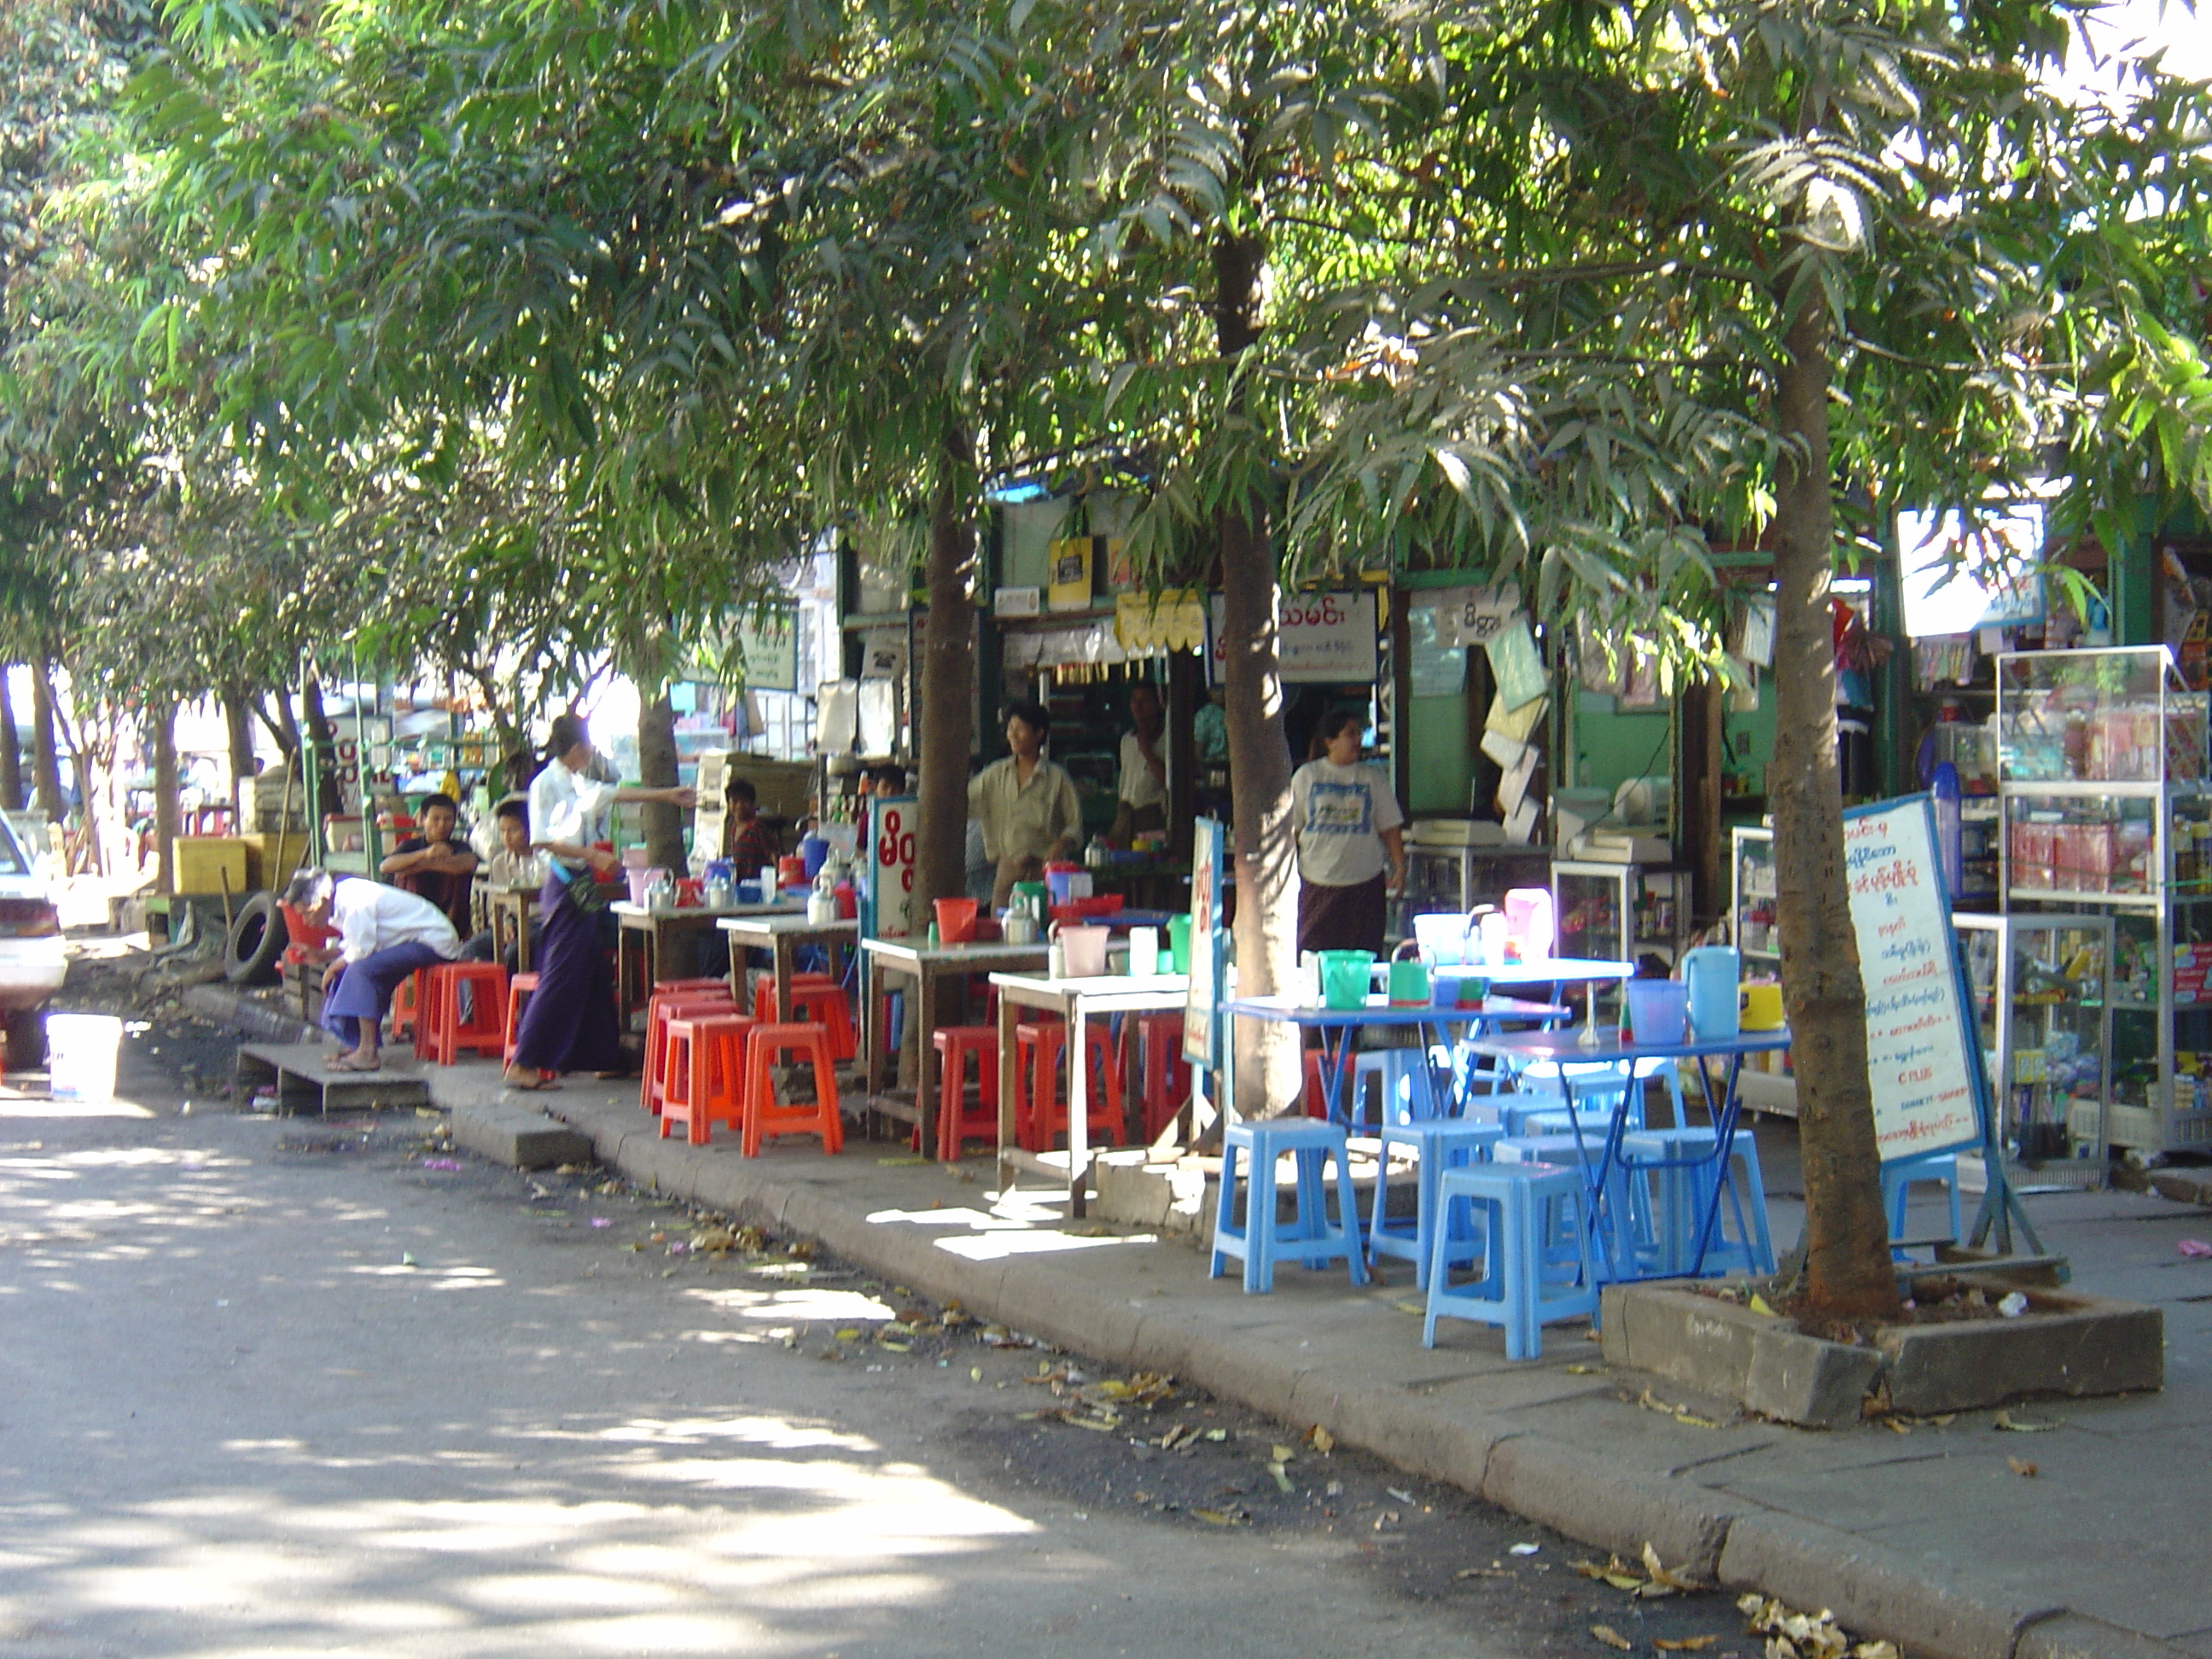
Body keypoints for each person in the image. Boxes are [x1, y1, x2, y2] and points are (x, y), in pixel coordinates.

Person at [503, 713, 694, 1090]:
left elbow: (615, 793)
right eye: (588, 745)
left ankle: (604, 1055)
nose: (591, 752)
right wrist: (593, 856)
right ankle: (524, 1061)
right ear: (577, 749)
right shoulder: (546, 785)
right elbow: (542, 841)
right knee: (561, 971)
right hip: (564, 881)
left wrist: (667, 796)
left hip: (581, 882)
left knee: (591, 966)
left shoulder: (574, 781)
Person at [286, 868, 463, 1072]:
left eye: (308, 912)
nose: (307, 921)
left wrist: (332, 967)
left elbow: (362, 950)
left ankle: (368, 1053)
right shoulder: (341, 900)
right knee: (350, 969)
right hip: (406, 941)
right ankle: (357, 1043)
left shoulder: (355, 900)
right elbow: (357, 943)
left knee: (361, 970)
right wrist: (322, 956)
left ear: (324, 898)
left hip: (433, 941)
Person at [1289, 707, 1406, 957]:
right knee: (1313, 955)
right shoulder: (1307, 776)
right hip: (1318, 879)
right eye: (1350, 734)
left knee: (1363, 953)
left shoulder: (1372, 778)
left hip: (1365, 882)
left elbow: (1390, 827)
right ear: (1330, 741)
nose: (1357, 741)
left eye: (1359, 734)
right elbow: (1292, 830)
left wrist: (1399, 867)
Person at [968, 698, 1083, 908]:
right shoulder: (995, 775)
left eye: (1020, 729)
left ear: (1038, 733)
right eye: (1010, 729)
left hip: (1045, 872)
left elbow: (1074, 825)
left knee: (1043, 928)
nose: (1012, 735)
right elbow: (965, 800)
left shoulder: (1057, 778)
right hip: (1007, 870)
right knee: (1003, 930)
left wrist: (1061, 844)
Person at [380, 791, 478, 934]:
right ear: (423, 820)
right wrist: (425, 854)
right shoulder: (410, 846)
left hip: (451, 917)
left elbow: (469, 863)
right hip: (414, 917)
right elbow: (385, 867)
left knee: (458, 877)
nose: (442, 825)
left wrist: (419, 866)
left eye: (448, 819)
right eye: (435, 819)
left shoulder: (459, 846)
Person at [463, 797, 545, 966]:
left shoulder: (547, 859)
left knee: (513, 953)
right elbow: (494, 907)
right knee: (469, 951)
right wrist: (504, 924)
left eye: (513, 830)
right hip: (513, 922)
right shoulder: (499, 862)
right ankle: (481, 993)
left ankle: (507, 993)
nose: (506, 837)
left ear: (530, 829)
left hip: (542, 924)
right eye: (502, 831)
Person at [1108, 678, 1167, 844]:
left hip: (1151, 817)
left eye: (1145, 701)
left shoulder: (1167, 739)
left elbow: (1169, 782)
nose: (1138, 706)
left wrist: (1146, 750)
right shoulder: (1127, 740)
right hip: (1126, 815)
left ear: (1158, 704)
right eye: (1135, 700)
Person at [723, 777, 781, 875]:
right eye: (735, 801)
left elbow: (774, 855)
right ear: (729, 803)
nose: (739, 806)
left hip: (756, 883)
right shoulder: (732, 827)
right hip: (739, 882)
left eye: (744, 802)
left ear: (752, 804)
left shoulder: (757, 828)